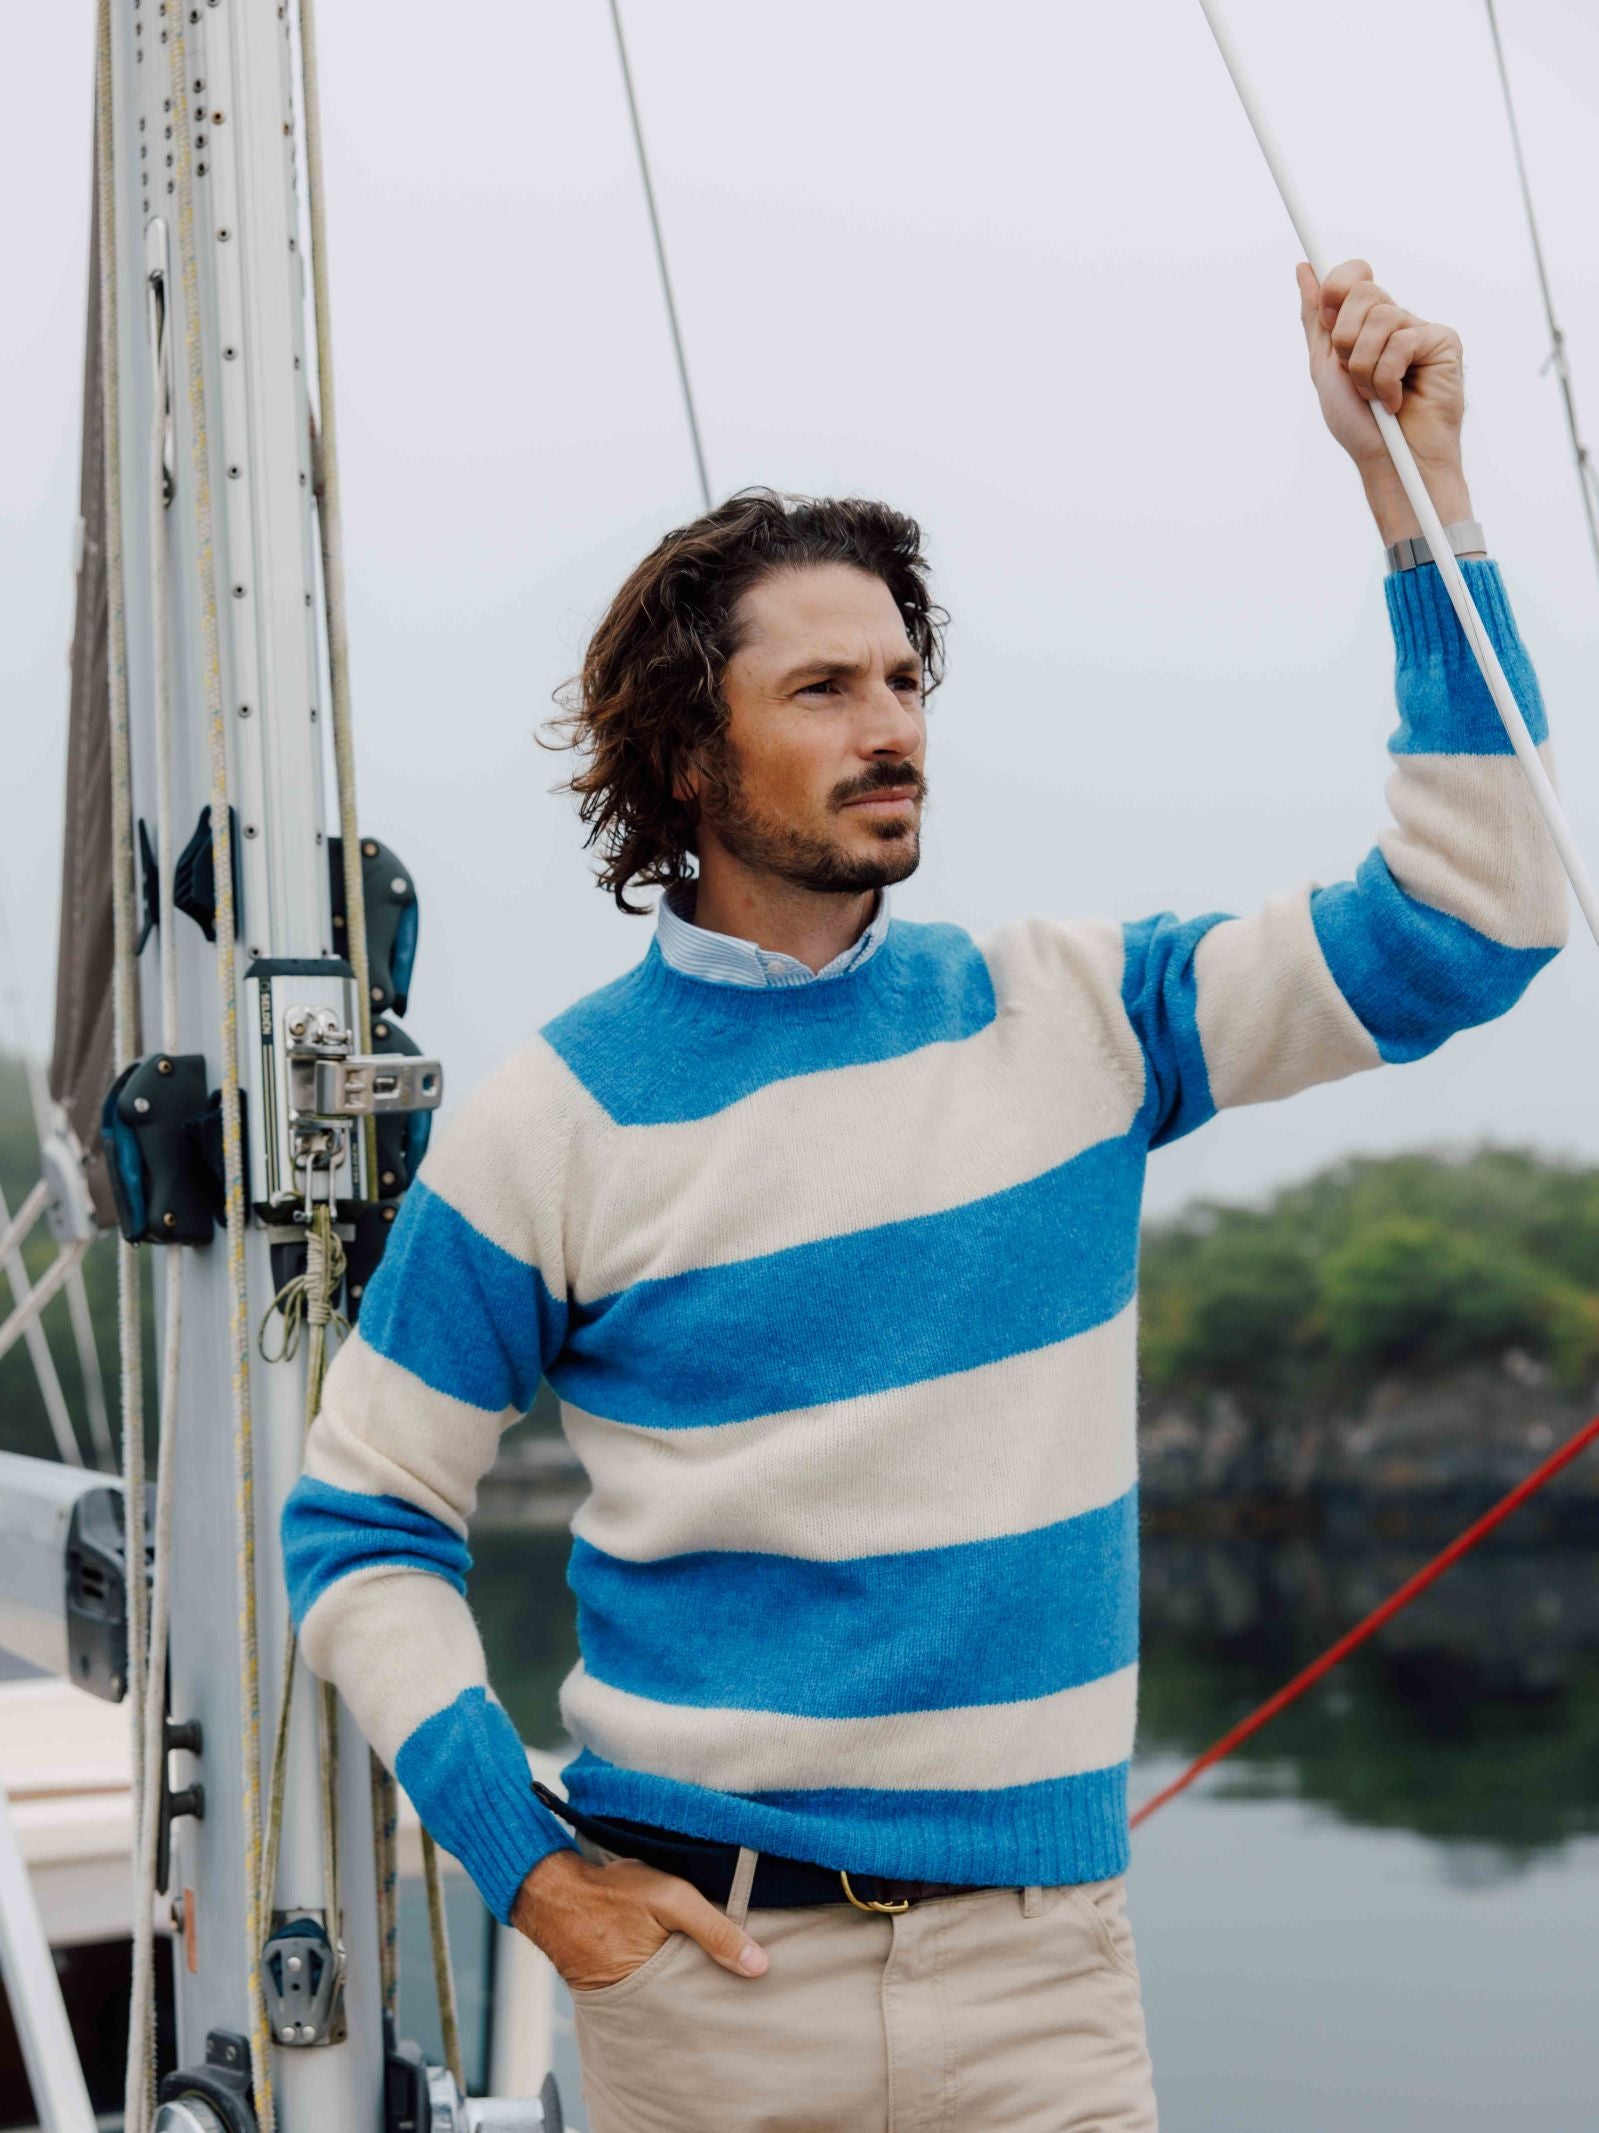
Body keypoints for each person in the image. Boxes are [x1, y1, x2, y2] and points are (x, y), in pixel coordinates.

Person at [283, 259, 1566, 2131]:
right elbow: (362, 1523)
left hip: (1043, 1982)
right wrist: (526, 1865)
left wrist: (1420, 501)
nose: (893, 722)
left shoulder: (1084, 1012)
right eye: (825, 686)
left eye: (904, 677)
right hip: (705, 1986)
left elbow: (1478, 921)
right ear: (689, 754)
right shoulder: (548, 1121)